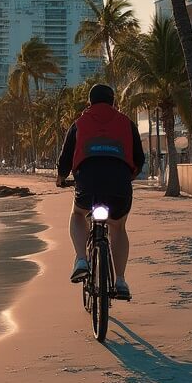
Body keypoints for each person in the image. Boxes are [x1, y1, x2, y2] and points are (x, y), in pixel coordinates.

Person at [56, 83, 145, 300]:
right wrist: (128, 177)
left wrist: (61, 178)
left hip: (88, 182)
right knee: (118, 226)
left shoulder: (79, 123)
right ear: (114, 102)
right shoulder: (127, 123)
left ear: (90, 102)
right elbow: (139, 159)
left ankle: (80, 259)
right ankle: (121, 281)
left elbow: (66, 157)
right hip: (119, 184)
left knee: (78, 214)